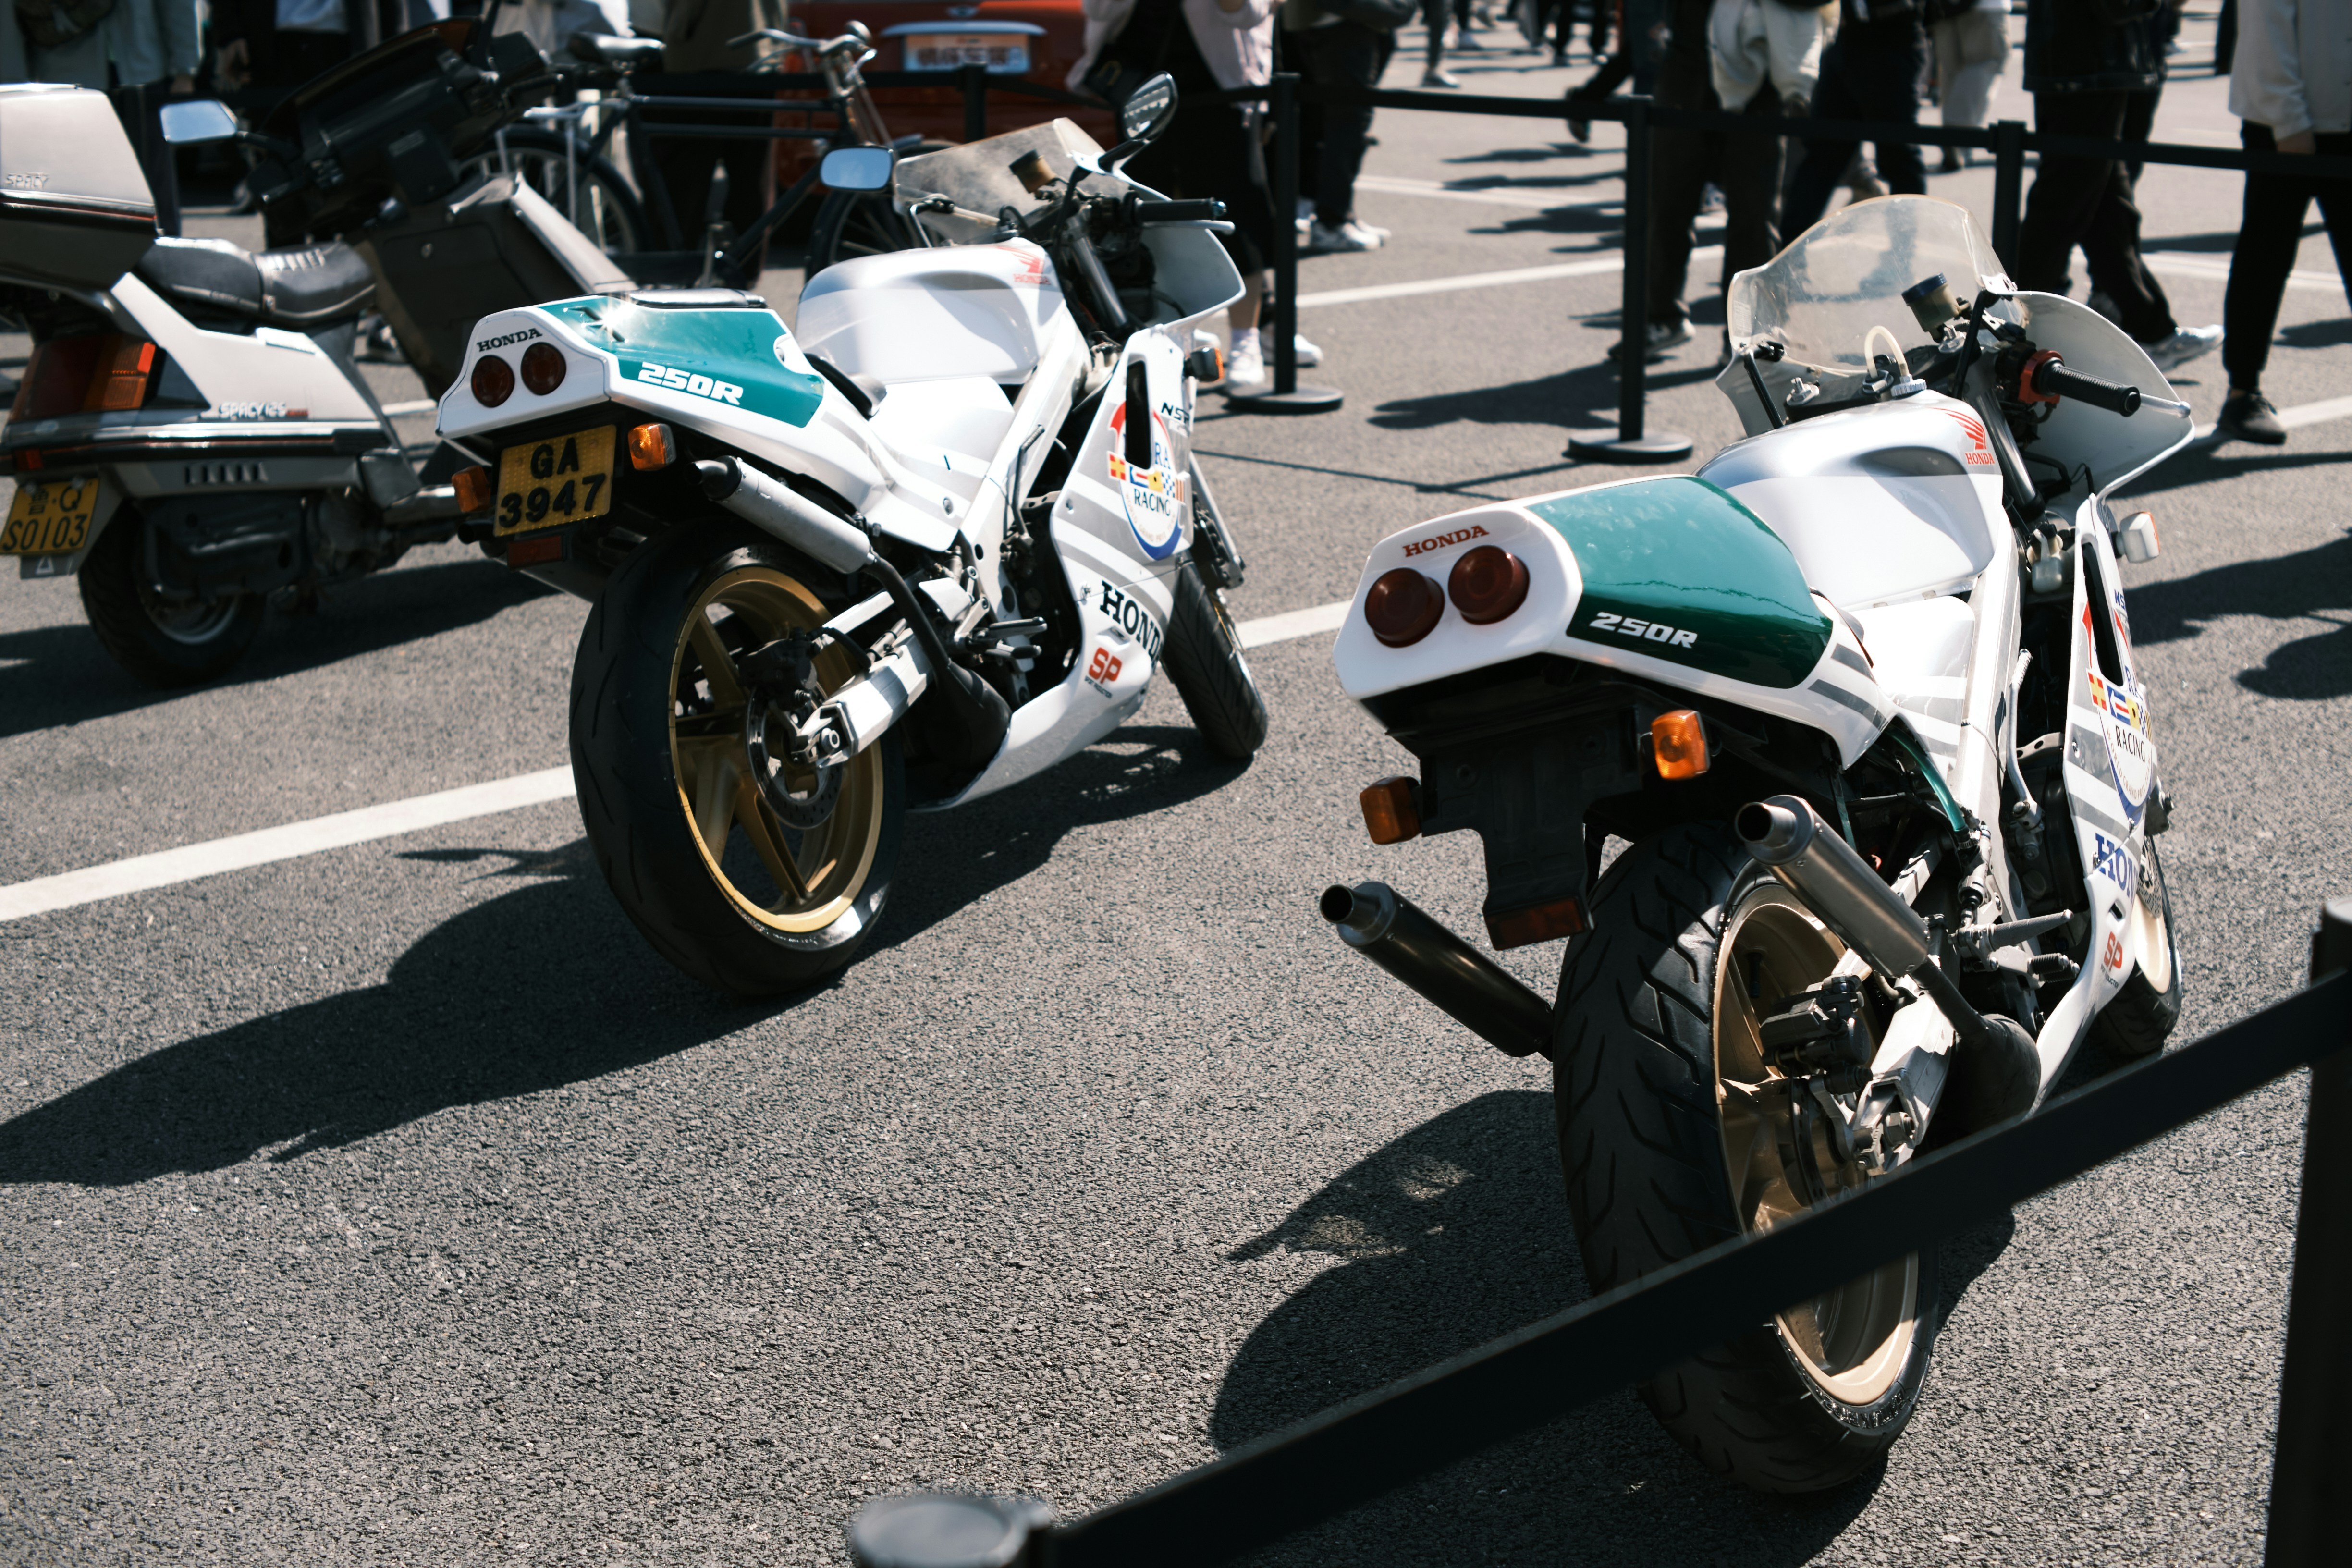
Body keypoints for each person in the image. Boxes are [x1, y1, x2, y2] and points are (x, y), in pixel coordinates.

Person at [1072, 0, 1322, 388]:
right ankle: (1176, 330)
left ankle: (1248, 341)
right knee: (1146, 220)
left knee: (1238, 218)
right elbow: (1101, 10)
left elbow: (1246, 13)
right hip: (1141, 89)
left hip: (1220, 90)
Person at [2013, 0, 2220, 370]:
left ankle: (2150, 329)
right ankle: (2009, 334)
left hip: (2080, 66)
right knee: (2063, 209)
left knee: (2108, 210)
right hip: (2089, 68)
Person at [1620, 0, 1822, 360]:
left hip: (1755, 70)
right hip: (1687, 65)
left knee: (1753, 216)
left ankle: (1745, 337)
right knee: (1668, 204)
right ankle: (1662, 316)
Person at [2213, 0, 2349, 445]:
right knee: (2266, 256)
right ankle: (2242, 390)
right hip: (2285, 127)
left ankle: (2244, 388)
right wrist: (2288, 120)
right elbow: (2264, 33)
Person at [27, 0, 200, 236]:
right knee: (79, 192)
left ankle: (165, 262)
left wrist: (184, 69)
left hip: (144, 72)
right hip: (67, 73)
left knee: (154, 191)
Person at [635, 0, 784, 270]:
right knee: (750, 182)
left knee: (684, 183)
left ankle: (673, 273)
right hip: (759, 50)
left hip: (702, 54)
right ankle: (741, 276)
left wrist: (677, 28)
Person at [1782, 0, 1928, 239]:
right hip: (1849, 37)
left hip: (1891, 35)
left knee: (1898, 157)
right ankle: (1789, 250)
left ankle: (1907, 252)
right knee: (1822, 155)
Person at [1282, 0, 1390, 251]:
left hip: (1350, 19)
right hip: (1342, 21)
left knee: (1344, 124)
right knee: (1345, 126)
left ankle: (1340, 216)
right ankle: (1331, 222)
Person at [1929, 0, 2007, 171]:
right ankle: (1957, 137)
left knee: (1952, 71)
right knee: (1982, 64)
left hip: (1942, 10)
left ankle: (1953, 136)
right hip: (1984, 8)